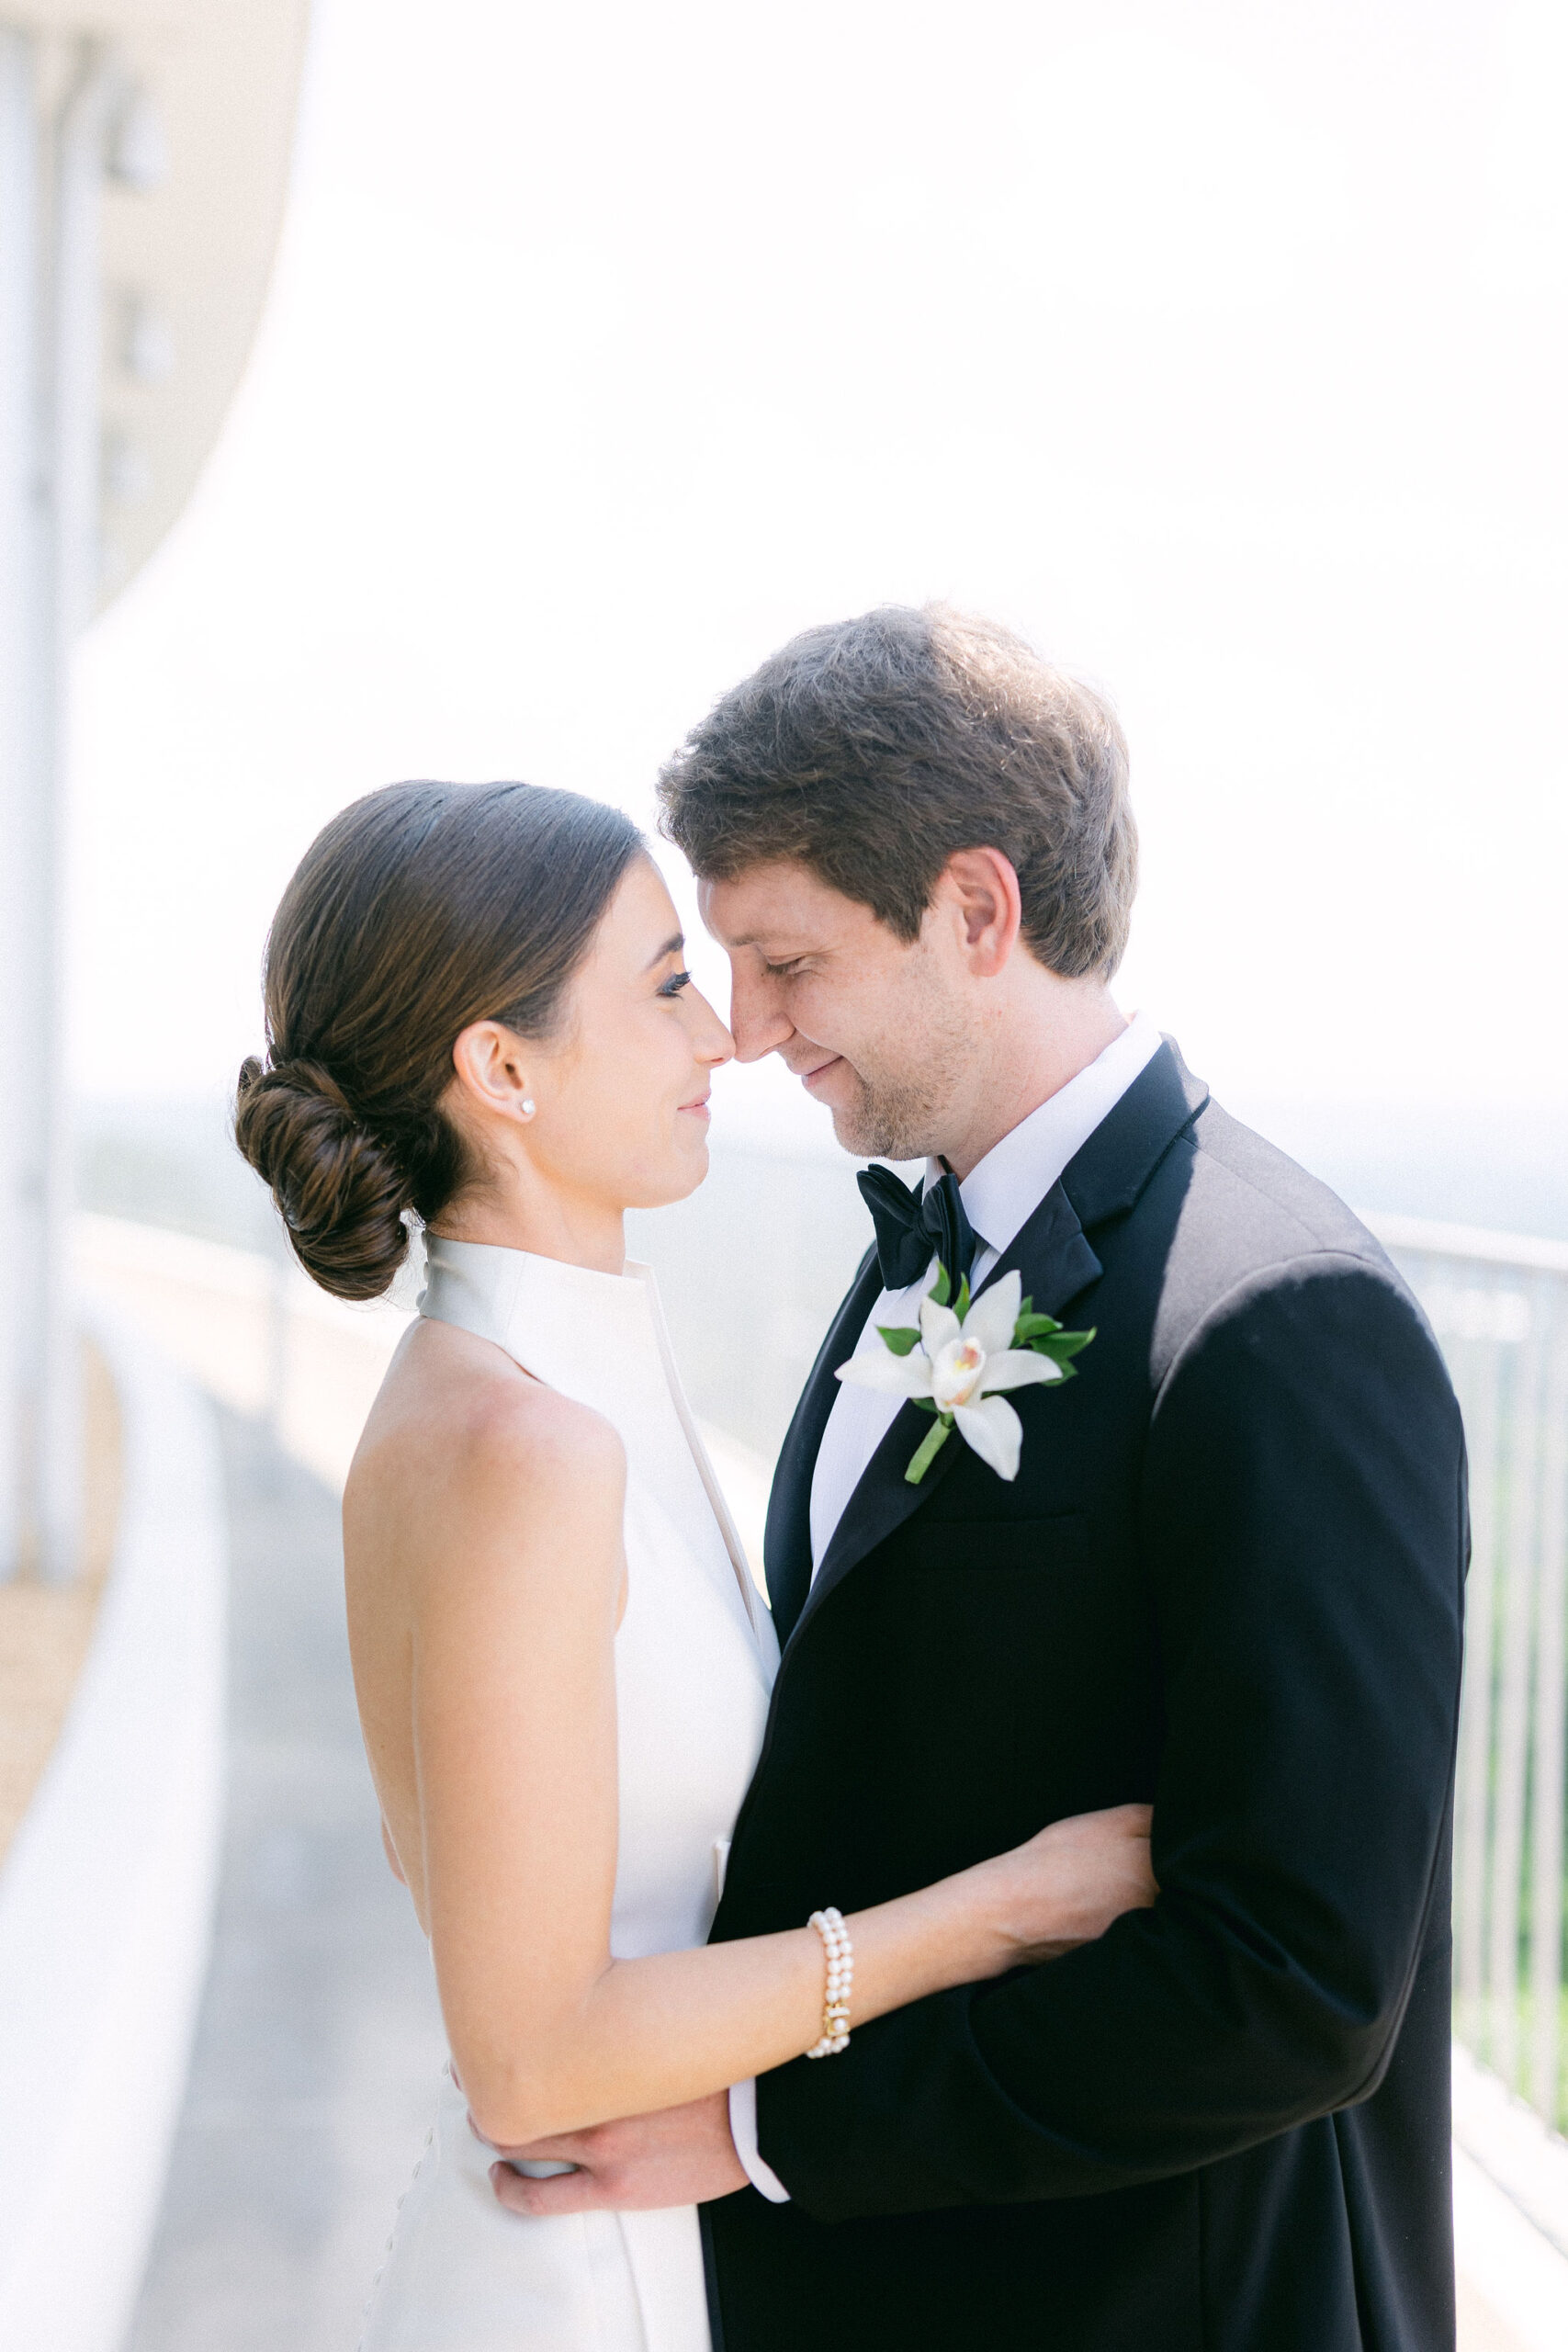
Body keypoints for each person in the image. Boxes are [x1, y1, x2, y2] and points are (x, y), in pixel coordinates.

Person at [489, 606, 1469, 2352]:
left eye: (790, 963)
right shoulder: (928, 1243)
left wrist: (762, 2125)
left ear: (977, 912)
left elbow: (1298, 1986)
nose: (749, 1030)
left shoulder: (1281, 1318)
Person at [232, 775, 1156, 2351]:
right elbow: (529, 2052)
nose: (724, 1038)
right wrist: (996, 1913)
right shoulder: (525, 1453)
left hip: (638, 2233)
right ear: (501, 1069)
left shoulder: (499, 1395)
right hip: (588, 2280)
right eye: (665, 986)